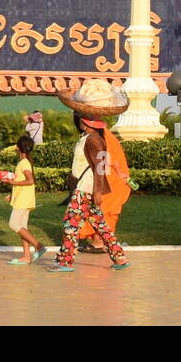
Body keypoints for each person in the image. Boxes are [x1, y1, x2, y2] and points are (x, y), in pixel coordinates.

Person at [48, 114, 129, 272]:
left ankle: (66, 261)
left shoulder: (93, 140)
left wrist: (97, 192)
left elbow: (99, 169)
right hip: (86, 188)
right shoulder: (89, 138)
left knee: (70, 226)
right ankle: (119, 257)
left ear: (84, 123)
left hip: (86, 189)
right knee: (101, 226)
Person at [76, 117, 132, 252]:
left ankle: (99, 244)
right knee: (98, 217)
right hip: (100, 182)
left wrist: (98, 188)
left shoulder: (97, 138)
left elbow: (104, 162)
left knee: (98, 215)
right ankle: (114, 252)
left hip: (106, 183)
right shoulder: (96, 136)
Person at [5, 135, 44, 265]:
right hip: (23, 198)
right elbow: (23, 181)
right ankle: (26, 256)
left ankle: (38, 246)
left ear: (17, 148)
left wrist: (13, 183)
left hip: (23, 200)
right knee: (23, 228)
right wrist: (12, 194)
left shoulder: (24, 163)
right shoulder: (24, 162)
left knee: (14, 224)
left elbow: (30, 180)